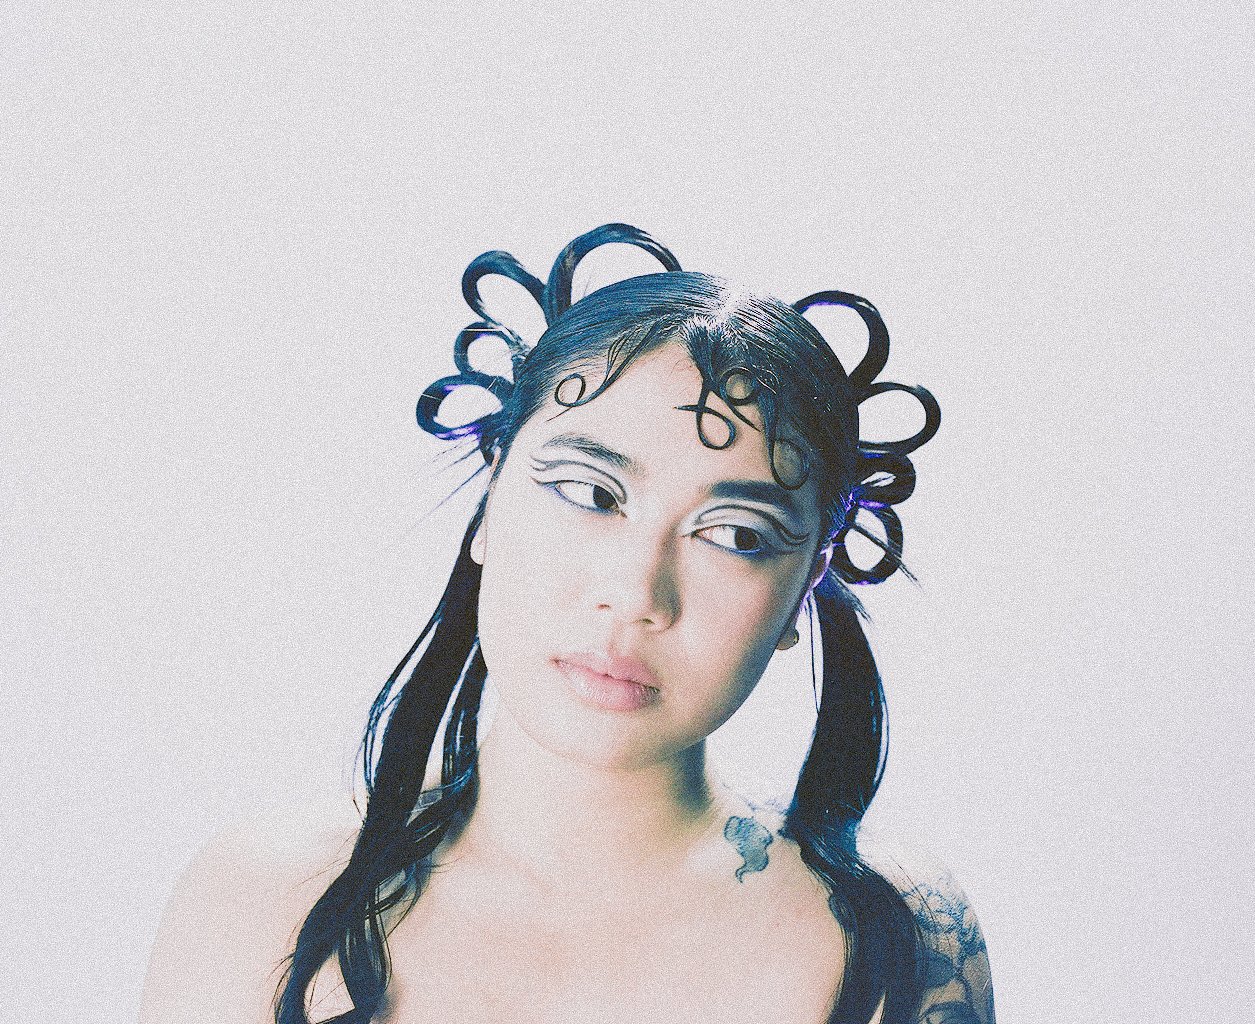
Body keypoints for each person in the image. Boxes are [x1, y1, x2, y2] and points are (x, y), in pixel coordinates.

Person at [140, 224, 995, 1024]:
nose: (636, 593)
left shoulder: (891, 934)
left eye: (735, 535)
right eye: (591, 494)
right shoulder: (263, 899)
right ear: (489, 501)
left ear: (804, 586)